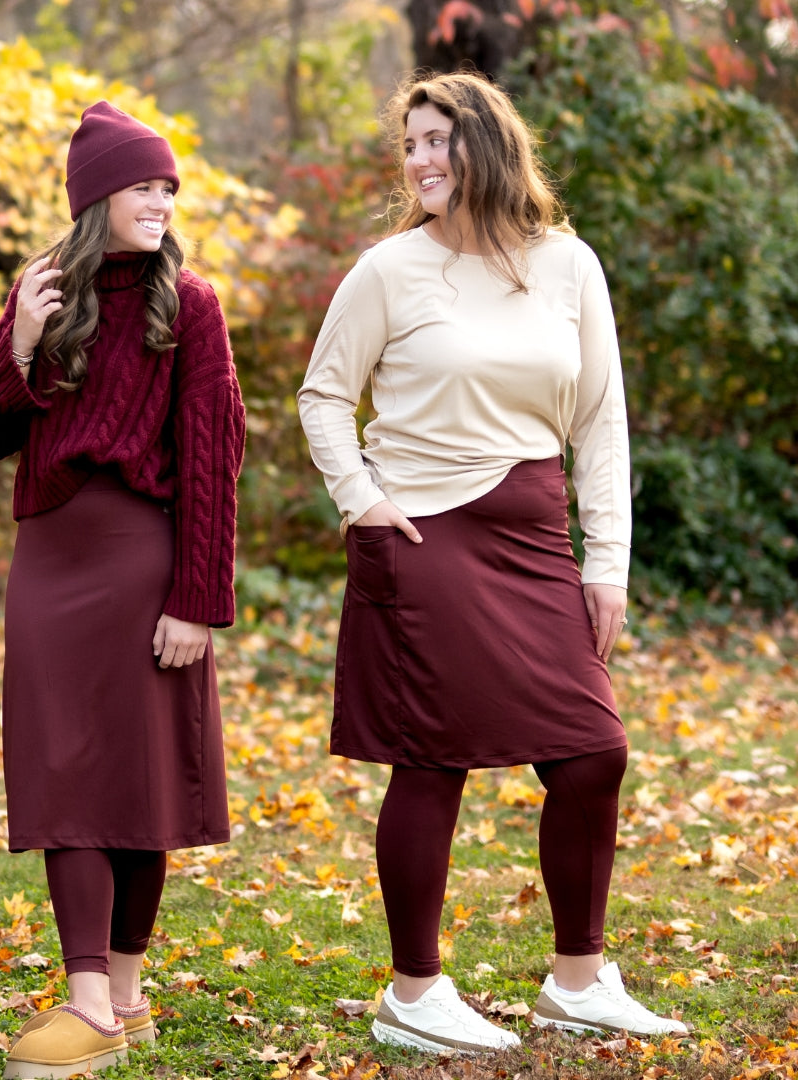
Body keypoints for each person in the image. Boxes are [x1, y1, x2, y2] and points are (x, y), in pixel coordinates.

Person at [297, 72, 688, 1053]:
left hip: (535, 537)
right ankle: (414, 994)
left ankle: (578, 982)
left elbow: (601, 422)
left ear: (489, 145)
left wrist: (608, 565)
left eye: (439, 140)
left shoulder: (567, 265)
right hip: (422, 535)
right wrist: (364, 502)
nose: (421, 160)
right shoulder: (389, 271)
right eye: (410, 145)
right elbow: (323, 396)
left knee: (592, 752)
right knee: (435, 759)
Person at [0, 101, 245, 1078]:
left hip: (142, 563)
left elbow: (214, 457)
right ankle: (88, 996)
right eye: (143, 187)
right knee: (64, 768)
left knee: (138, 776)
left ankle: (122, 995)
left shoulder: (191, 305)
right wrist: (22, 342)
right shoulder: (43, 289)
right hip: (49, 562)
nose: (162, 201)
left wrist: (199, 599)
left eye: (169, 188)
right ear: (96, 198)